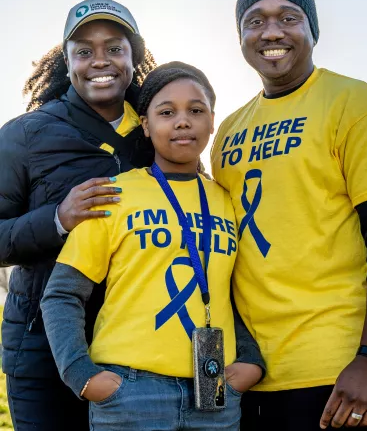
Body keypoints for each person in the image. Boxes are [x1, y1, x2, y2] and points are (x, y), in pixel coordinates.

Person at [211, 0, 367, 431]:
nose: (271, 31)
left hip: (337, 371)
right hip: (249, 372)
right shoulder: (227, 130)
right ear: (240, 37)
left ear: (312, 30)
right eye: (254, 21)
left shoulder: (356, 104)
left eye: (288, 17)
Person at [41, 61, 264, 431]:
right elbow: (63, 294)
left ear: (212, 120)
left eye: (196, 110)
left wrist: (251, 362)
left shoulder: (228, 199)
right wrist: (81, 375)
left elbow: (235, 294)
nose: (182, 121)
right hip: (129, 395)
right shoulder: (114, 194)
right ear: (145, 124)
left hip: (215, 391)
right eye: (166, 112)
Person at [0, 0, 156, 431]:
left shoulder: (158, 131)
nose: (99, 61)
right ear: (66, 61)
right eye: (83, 51)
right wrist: (57, 219)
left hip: (138, 355)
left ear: (134, 57)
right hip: (42, 355)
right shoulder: (25, 133)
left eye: (114, 48)